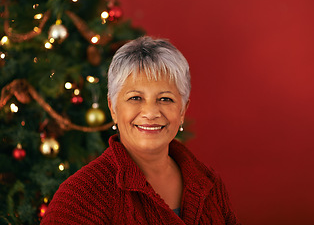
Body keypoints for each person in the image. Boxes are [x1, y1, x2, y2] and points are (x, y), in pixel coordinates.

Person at [41, 36, 240, 224]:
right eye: (135, 98)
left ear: (182, 111)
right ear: (113, 108)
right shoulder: (80, 197)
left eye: (165, 99)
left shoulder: (210, 184)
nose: (151, 113)